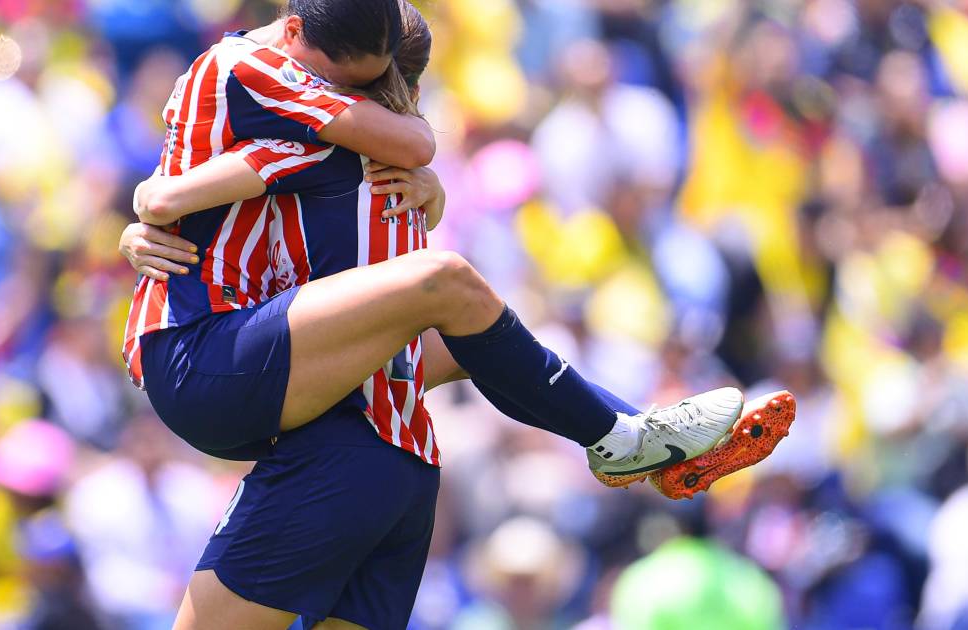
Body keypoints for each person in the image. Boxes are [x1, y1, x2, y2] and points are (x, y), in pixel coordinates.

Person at [121, 1, 793, 627]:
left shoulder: (325, 149)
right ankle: (624, 438)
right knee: (447, 288)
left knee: (468, 321)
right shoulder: (287, 110)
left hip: (372, 444)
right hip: (278, 398)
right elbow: (169, 195)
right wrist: (147, 213)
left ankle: (634, 441)